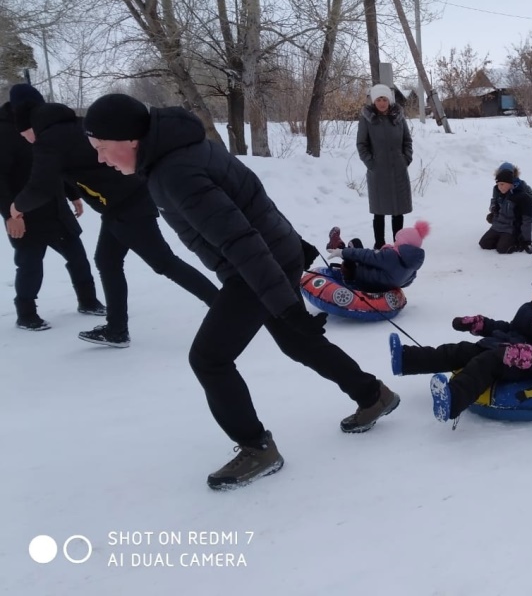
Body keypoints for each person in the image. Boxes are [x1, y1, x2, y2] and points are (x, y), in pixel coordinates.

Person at [83, 93, 400, 490]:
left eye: (101, 148)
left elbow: (241, 240)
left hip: (254, 267)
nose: (100, 159)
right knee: (296, 343)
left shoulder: (174, 171)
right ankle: (373, 395)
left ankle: (256, 448)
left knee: (209, 358)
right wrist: (293, 243)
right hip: (270, 255)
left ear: (129, 138)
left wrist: (286, 306)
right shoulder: (185, 148)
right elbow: (250, 199)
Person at [9, 87, 218, 348]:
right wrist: (74, 195)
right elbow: (77, 169)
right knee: (107, 260)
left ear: (29, 126)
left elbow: (40, 186)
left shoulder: (48, 141)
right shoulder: (76, 126)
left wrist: (16, 207)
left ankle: (221, 305)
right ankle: (116, 329)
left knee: (163, 261)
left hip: (127, 204)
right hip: (124, 201)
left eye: (23, 134)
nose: (25, 140)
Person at [387, 270, 532, 424]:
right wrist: (481, 325)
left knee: (484, 363)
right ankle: (406, 359)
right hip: (506, 349)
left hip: (525, 365)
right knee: (461, 350)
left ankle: (453, 401)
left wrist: (521, 355)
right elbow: (511, 329)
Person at [1, 94, 104, 330]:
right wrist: (10, 215)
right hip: (23, 213)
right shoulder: (5, 132)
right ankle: (26, 314)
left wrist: (73, 194)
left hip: (56, 207)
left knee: (78, 257)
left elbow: (55, 164)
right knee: (29, 265)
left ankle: (88, 300)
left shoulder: (44, 128)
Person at [356, 84, 413, 249]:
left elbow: (407, 141)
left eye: (385, 99)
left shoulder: (398, 117)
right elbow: (361, 144)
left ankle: (398, 244)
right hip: (378, 172)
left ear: (389, 100)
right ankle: (379, 244)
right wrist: (371, 163)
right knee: (379, 212)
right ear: (374, 101)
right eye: (379, 99)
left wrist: (405, 159)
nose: (382, 103)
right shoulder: (367, 119)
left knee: (398, 211)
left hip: (398, 170)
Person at [328, 220, 430, 291]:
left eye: (398, 240)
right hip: (383, 287)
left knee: (355, 243)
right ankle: (340, 248)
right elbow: (406, 283)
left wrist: (342, 252)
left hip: (360, 278)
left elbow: (367, 255)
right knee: (368, 258)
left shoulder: (391, 255)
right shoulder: (412, 266)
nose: (395, 242)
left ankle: (337, 246)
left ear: (404, 243)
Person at [480, 164, 532, 254]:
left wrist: (527, 241)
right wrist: (494, 210)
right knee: (484, 244)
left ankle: (513, 240)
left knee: (502, 249)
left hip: (513, 224)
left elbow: (527, 218)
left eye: (502, 184)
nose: (499, 187)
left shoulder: (522, 189)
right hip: (500, 223)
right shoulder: (499, 190)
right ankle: (502, 238)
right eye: (498, 184)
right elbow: (495, 201)